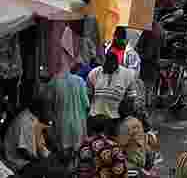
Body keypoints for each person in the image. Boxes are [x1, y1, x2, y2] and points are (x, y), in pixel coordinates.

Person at [44, 31, 89, 160]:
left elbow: (48, 106)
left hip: (61, 126)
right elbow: (86, 105)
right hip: (79, 126)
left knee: (63, 158)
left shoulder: (53, 82)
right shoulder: (80, 81)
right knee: (77, 158)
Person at [87, 51, 136, 121]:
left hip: (115, 118)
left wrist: (125, 114)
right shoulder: (94, 73)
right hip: (95, 117)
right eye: (104, 64)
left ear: (115, 63)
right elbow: (88, 96)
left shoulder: (128, 75)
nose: (105, 67)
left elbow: (131, 98)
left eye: (109, 65)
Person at [3, 99, 49, 172]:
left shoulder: (33, 118)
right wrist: (39, 161)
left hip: (27, 160)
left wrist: (48, 156)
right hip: (17, 163)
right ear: (39, 109)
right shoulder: (24, 121)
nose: (49, 112)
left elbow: (39, 144)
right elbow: (22, 150)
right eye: (48, 110)